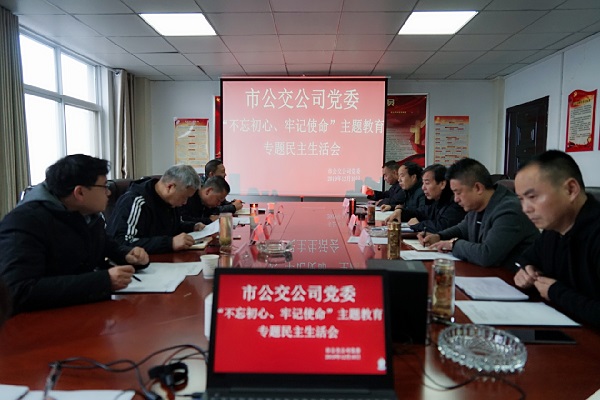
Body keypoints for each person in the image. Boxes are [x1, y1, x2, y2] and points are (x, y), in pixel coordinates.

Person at [0, 154, 149, 314]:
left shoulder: (87, 215)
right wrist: (103, 281)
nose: (108, 193)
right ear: (79, 193)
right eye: (104, 186)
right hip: (39, 320)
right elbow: (18, 290)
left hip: (83, 311)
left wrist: (127, 254)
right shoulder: (24, 222)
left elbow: (105, 246)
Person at [513, 150, 600, 328]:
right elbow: (528, 257)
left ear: (571, 190)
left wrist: (555, 292)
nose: (526, 209)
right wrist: (526, 269)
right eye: (521, 199)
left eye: (532, 197)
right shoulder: (553, 229)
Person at [420, 157, 539, 268]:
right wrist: (439, 236)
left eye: (458, 192)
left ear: (478, 188)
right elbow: (462, 229)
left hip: (512, 279)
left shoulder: (510, 210)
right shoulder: (478, 205)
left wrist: (454, 244)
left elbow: (486, 255)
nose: (456, 199)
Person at [106, 164, 202, 254]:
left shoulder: (170, 202)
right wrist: (170, 243)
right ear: (170, 187)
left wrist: (192, 227)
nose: (185, 202)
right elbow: (121, 242)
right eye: (184, 197)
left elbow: (171, 226)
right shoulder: (135, 201)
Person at [385, 164, 465, 233]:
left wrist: (418, 225)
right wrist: (401, 212)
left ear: (442, 184)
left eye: (427, 183)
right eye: (423, 183)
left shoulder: (455, 203)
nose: (423, 188)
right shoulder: (437, 201)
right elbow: (421, 212)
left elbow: (442, 226)